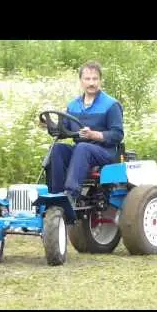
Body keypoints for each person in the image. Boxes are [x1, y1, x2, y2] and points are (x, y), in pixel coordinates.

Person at [46, 61, 124, 206]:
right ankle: (56, 195)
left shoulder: (111, 105)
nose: (91, 83)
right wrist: (51, 127)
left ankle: (71, 195)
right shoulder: (73, 105)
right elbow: (64, 131)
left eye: (95, 79)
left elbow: (117, 134)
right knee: (57, 149)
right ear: (81, 81)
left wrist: (94, 135)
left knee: (83, 147)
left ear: (100, 80)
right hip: (80, 152)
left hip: (105, 153)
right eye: (87, 79)